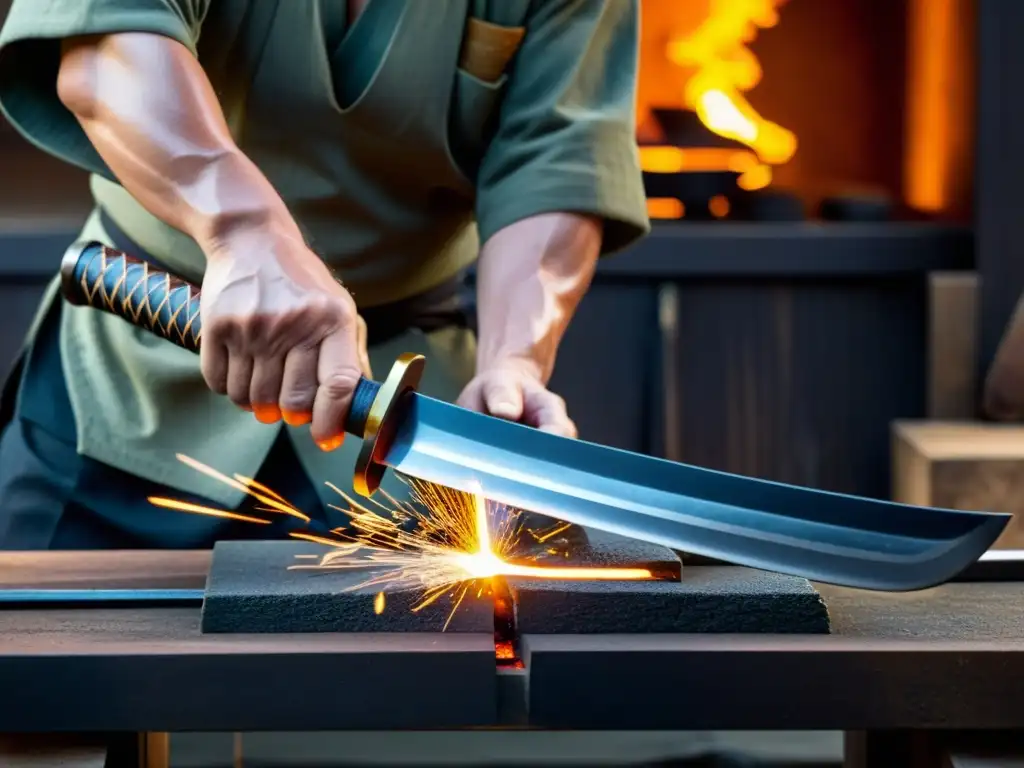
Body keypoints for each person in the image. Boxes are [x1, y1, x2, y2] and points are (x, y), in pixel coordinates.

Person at [0, 0, 649, 550]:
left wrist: (514, 361)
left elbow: (556, 155)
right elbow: (111, 54)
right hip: (128, 374)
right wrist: (247, 235)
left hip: (400, 421)